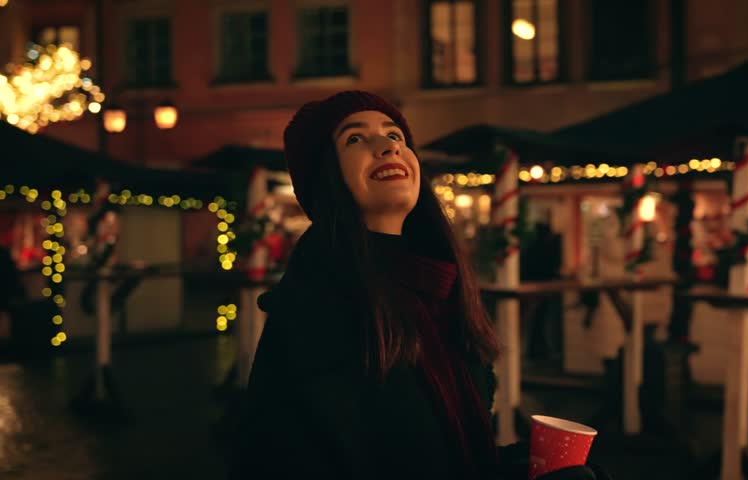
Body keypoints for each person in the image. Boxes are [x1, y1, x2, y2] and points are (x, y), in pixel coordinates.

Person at [229, 91, 611, 480]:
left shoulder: (441, 290)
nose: (387, 147)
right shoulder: (317, 307)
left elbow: (449, 452)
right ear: (325, 176)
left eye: (395, 135)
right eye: (355, 139)